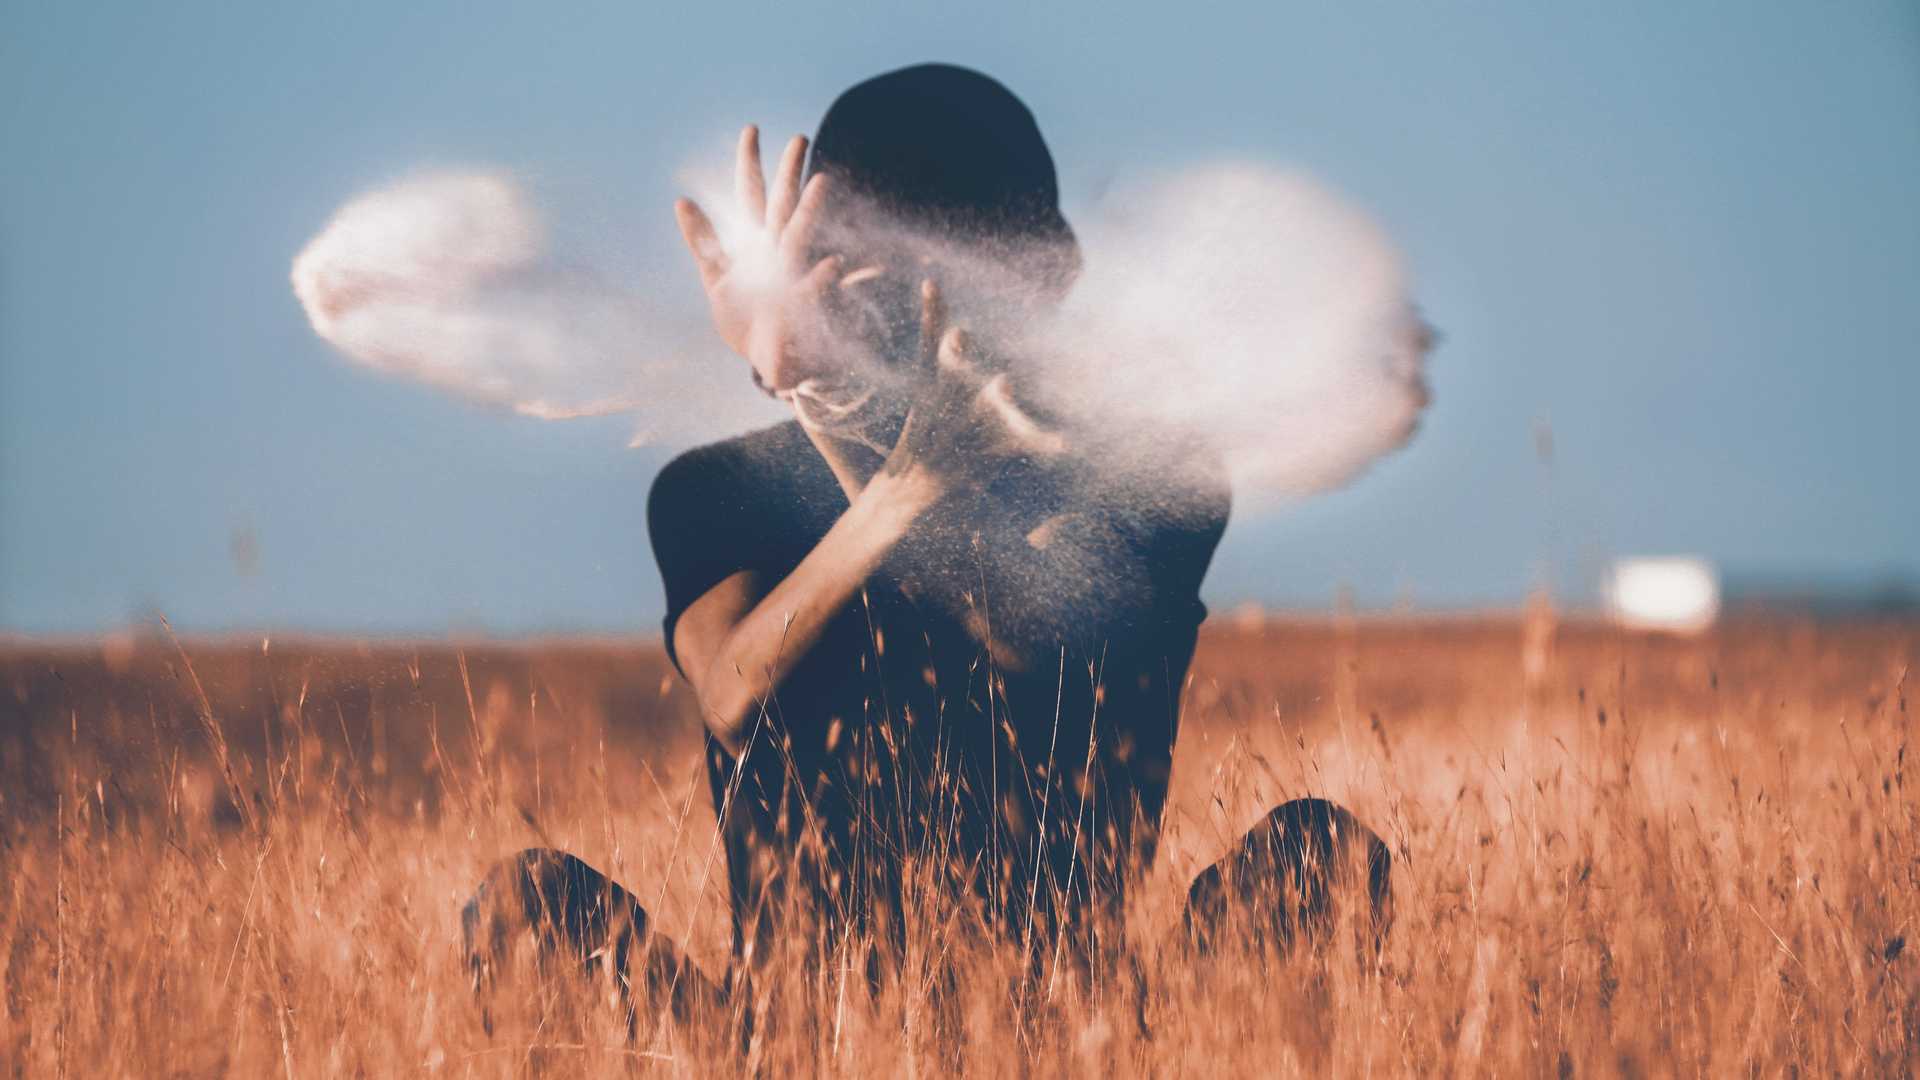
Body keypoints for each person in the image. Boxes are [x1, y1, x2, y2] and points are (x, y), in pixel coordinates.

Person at [464, 63, 1391, 1035]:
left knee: (1320, 854)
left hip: (1072, 1032)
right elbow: (737, 695)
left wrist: (869, 443)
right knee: (527, 905)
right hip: (795, 1041)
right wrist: (837, 417)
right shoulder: (717, 489)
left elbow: (1035, 656)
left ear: (1046, 276)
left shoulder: (1157, 483)